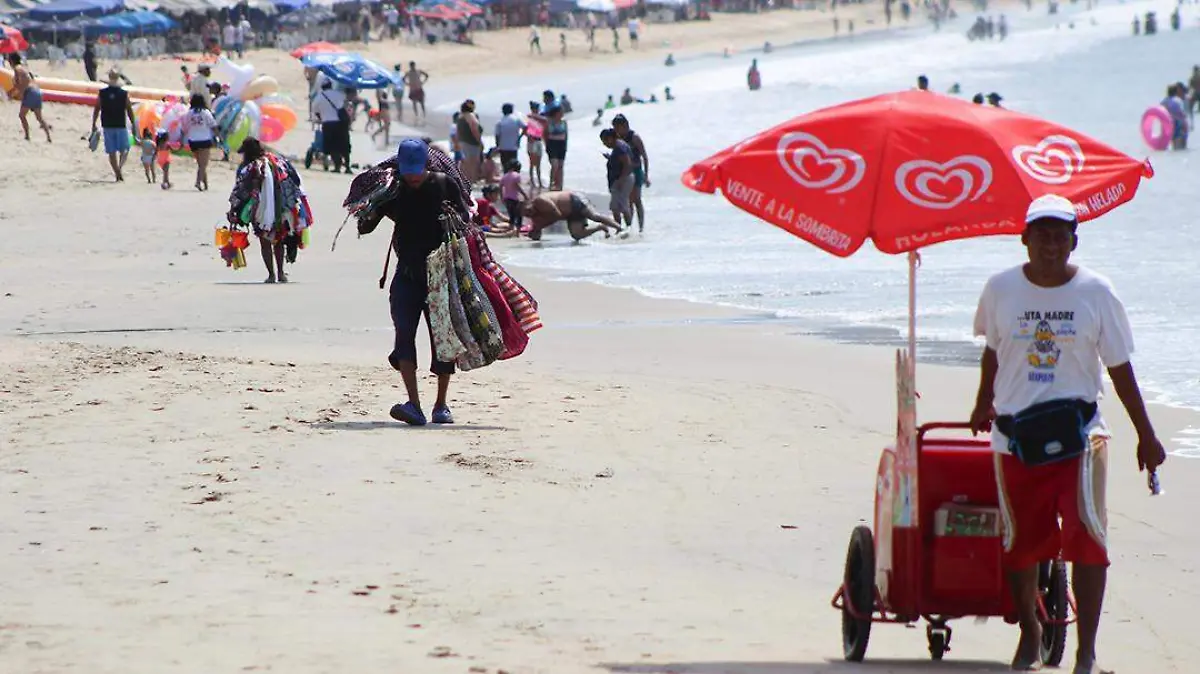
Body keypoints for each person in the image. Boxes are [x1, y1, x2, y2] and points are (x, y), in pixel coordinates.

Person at [970, 194, 1165, 674]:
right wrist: (982, 401)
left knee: (1088, 541)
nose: (1051, 246)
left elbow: (1119, 368)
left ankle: (1086, 650)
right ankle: (1031, 632)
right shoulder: (1000, 289)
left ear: (1073, 242)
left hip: (1081, 438)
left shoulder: (1097, 293)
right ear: (1025, 239)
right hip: (1014, 437)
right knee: (1020, 541)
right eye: (1042, 235)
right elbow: (993, 352)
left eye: (1061, 237)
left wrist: (1146, 433)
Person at [355, 138, 459, 426]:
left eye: (417, 170)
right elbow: (366, 225)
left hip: (440, 274)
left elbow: (465, 221)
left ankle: (441, 404)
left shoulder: (444, 185)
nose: (413, 176)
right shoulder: (394, 189)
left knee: (443, 340)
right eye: (408, 170)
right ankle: (413, 404)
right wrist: (369, 210)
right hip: (407, 273)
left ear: (426, 165)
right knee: (403, 336)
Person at [228, 138, 313, 284]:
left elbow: (240, 190)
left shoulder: (249, 167)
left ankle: (272, 274)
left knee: (265, 241)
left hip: (260, 209)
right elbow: (295, 181)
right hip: (281, 208)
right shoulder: (277, 162)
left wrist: (234, 210)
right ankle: (280, 273)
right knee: (278, 239)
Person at [523, 190, 620, 242]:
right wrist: (534, 233)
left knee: (594, 216)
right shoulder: (535, 216)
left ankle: (619, 228)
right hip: (570, 213)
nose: (529, 213)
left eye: (528, 210)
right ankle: (600, 227)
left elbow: (557, 215)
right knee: (577, 235)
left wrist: (541, 226)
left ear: (530, 202)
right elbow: (537, 236)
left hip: (575, 199)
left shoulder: (540, 201)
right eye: (527, 214)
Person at [91, 69, 136, 181]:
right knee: (125, 149)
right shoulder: (124, 94)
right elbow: (129, 109)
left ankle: (117, 172)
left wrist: (93, 123)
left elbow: (97, 108)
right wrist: (134, 124)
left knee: (111, 151)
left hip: (107, 124)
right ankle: (119, 168)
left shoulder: (102, 93)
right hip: (120, 124)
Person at [612, 114, 649, 233]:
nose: (616, 130)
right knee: (628, 201)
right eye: (614, 127)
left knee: (636, 199)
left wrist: (646, 175)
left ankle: (641, 228)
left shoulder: (634, 137)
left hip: (637, 171)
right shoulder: (617, 139)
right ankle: (630, 228)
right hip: (625, 173)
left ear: (625, 125)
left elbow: (644, 156)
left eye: (617, 127)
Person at [7, 54, 52, 143]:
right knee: (39, 118)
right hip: (37, 91)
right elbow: (29, 80)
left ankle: (27, 136)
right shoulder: (25, 68)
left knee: (22, 115)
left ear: (11, 61)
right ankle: (48, 137)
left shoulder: (17, 69)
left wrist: (14, 94)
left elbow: (21, 85)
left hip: (30, 92)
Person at [313, 73, 351, 173]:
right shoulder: (338, 94)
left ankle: (337, 167)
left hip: (328, 124)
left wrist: (322, 118)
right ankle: (347, 167)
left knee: (332, 146)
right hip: (341, 124)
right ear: (330, 85)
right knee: (344, 145)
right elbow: (346, 104)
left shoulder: (318, 98)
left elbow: (316, 111)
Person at [600, 128, 634, 231]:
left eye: (605, 141)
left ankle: (626, 229)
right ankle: (621, 229)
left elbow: (627, 164)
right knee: (616, 207)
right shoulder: (619, 146)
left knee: (622, 207)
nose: (604, 144)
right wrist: (610, 158)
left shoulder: (620, 148)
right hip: (621, 179)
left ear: (611, 138)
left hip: (622, 180)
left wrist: (621, 180)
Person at [183, 93, 218, 191]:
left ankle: (205, 185)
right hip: (204, 139)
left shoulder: (189, 113)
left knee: (201, 164)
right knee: (203, 164)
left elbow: (185, 126)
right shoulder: (205, 112)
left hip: (193, 140)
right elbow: (213, 125)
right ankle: (198, 182)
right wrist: (218, 136)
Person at [456, 99, 484, 183]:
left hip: (463, 142)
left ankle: (465, 182)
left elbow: (458, 131)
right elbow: (474, 128)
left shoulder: (460, 117)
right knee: (473, 164)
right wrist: (480, 141)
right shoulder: (470, 116)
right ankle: (471, 181)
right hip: (472, 143)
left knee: (465, 163)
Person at [542, 104, 568, 190]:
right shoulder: (549, 122)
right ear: (556, 113)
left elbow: (566, 135)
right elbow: (544, 134)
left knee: (561, 166)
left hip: (561, 145)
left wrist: (565, 146)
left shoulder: (564, 122)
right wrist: (546, 145)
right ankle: (551, 184)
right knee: (554, 165)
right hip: (552, 144)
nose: (562, 113)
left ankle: (560, 185)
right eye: (561, 112)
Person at [494, 102, 525, 170]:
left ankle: (506, 179)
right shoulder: (516, 120)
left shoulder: (500, 121)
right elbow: (526, 127)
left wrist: (497, 146)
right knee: (514, 167)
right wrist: (519, 137)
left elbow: (497, 136)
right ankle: (514, 179)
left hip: (503, 147)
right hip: (513, 147)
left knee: (505, 166)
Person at [500, 160, 527, 231]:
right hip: (514, 199)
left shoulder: (504, 176)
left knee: (511, 215)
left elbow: (500, 187)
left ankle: (511, 229)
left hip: (507, 199)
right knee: (519, 215)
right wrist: (525, 195)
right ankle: (517, 232)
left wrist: (501, 197)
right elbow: (517, 186)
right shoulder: (517, 175)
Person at [525, 101, 545, 189]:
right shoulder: (529, 118)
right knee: (532, 162)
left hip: (538, 141)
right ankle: (533, 180)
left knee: (538, 163)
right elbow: (525, 129)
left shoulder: (539, 118)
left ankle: (538, 181)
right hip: (532, 141)